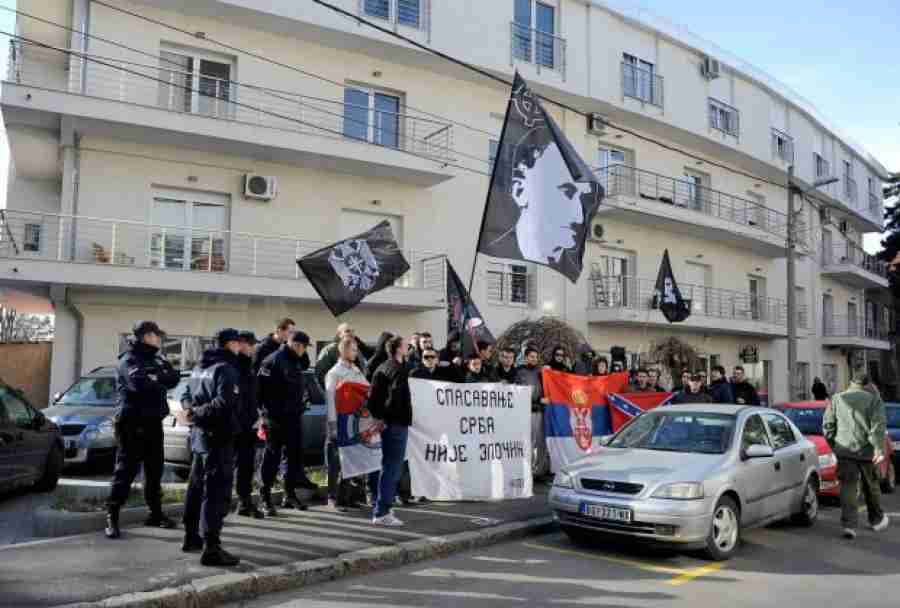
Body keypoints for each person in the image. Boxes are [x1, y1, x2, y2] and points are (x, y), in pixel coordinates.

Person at [104, 321, 180, 540]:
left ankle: (155, 514)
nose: (160, 339)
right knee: (125, 471)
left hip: (153, 420)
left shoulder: (157, 358)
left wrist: (156, 377)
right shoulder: (128, 359)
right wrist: (158, 378)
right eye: (157, 335)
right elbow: (139, 384)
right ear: (147, 336)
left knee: (154, 470)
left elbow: (173, 378)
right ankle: (112, 516)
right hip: (131, 422)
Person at [179, 328, 243, 566]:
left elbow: (185, 395)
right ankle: (212, 548)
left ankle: (190, 536)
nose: (240, 347)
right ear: (229, 344)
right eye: (238, 343)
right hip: (218, 437)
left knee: (196, 488)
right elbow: (224, 403)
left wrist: (191, 412)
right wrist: (196, 414)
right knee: (216, 492)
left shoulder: (200, 367)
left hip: (199, 438)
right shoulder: (225, 368)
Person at [823, 374, 890, 539]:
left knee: (847, 487)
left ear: (851, 383)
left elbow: (828, 426)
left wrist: (836, 445)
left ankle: (849, 525)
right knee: (871, 486)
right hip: (867, 452)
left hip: (845, 451)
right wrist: (878, 449)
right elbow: (878, 426)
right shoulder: (874, 400)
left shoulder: (837, 399)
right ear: (867, 384)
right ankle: (876, 520)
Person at [259, 330, 314, 514]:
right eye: (304, 347)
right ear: (296, 345)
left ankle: (289, 495)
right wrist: (265, 418)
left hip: (293, 417)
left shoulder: (295, 360)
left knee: (293, 458)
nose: (305, 351)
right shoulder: (273, 360)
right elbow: (260, 392)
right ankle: (265, 497)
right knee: (272, 459)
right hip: (275, 418)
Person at [367, 335, 412, 526]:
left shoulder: (382, 367)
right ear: (399, 349)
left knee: (387, 467)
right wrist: (387, 418)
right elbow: (395, 399)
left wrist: (379, 418)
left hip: (388, 424)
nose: (408, 346)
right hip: (396, 425)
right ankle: (382, 511)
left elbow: (373, 398)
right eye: (405, 345)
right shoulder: (398, 370)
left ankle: (382, 507)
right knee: (392, 468)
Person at [324, 336, 370, 512]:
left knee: (351, 460)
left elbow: (366, 390)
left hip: (354, 422)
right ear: (343, 351)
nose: (356, 352)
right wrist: (333, 426)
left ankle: (347, 498)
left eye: (356, 349)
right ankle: (332, 498)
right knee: (335, 462)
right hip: (339, 422)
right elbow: (330, 400)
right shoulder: (334, 373)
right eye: (353, 349)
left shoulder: (356, 370)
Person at [234, 331, 264, 519]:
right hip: (236, 425)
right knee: (236, 466)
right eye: (250, 344)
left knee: (245, 466)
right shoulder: (233, 366)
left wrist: (257, 415)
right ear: (241, 344)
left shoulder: (248, 366)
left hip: (248, 425)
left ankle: (244, 502)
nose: (253, 348)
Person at [517, 348, 550, 480]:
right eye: (531, 357)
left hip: (541, 411)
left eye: (536, 357)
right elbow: (518, 392)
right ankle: (528, 471)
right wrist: (537, 399)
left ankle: (539, 472)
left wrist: (549, 372)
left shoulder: (541, 371)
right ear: (526, 357)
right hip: (528, 411)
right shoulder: (519, 372)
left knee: (541, 443)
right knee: (529, 443)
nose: (534, 359)